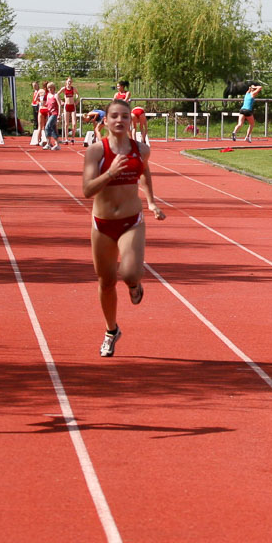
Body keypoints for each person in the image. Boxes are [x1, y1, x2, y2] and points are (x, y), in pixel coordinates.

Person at [82, 99, 165, 357]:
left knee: (129, 274)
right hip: (102, 223)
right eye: (114, 116)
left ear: (132, 121)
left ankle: (135, 284)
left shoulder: (141, 149)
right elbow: (86, 191)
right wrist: (109, 173)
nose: (120, 120)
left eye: (125, 116)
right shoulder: (96, 151)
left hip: (131, 221)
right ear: (105, 121)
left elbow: (145, 172)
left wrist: (151, 202)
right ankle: (111, 330)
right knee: (106, 282)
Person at [58, 77, 79, 143]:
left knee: (74, 123)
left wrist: (76, 101)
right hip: (66, 106)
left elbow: (78, 95)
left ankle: (72, 137)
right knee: (66, 124)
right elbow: (57, 95)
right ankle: (66, 138)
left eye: (70, 81)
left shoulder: (73, 88)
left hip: (72, 106)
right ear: (66, 82)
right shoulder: (63, 89)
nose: (69, 83)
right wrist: (61, 101)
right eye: (68, 81)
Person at [43, 82, 61, 150]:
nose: (50, 89)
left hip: (54, 114)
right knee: (53, 129)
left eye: (51, 87)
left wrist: (59, 114)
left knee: (47, 127)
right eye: (48, 88)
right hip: (49, 113)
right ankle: (57, 144)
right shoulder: (48, 95)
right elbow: (47, 104)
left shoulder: (56, 95)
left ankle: (48, 143)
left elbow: (59, 105)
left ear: (54, 88)